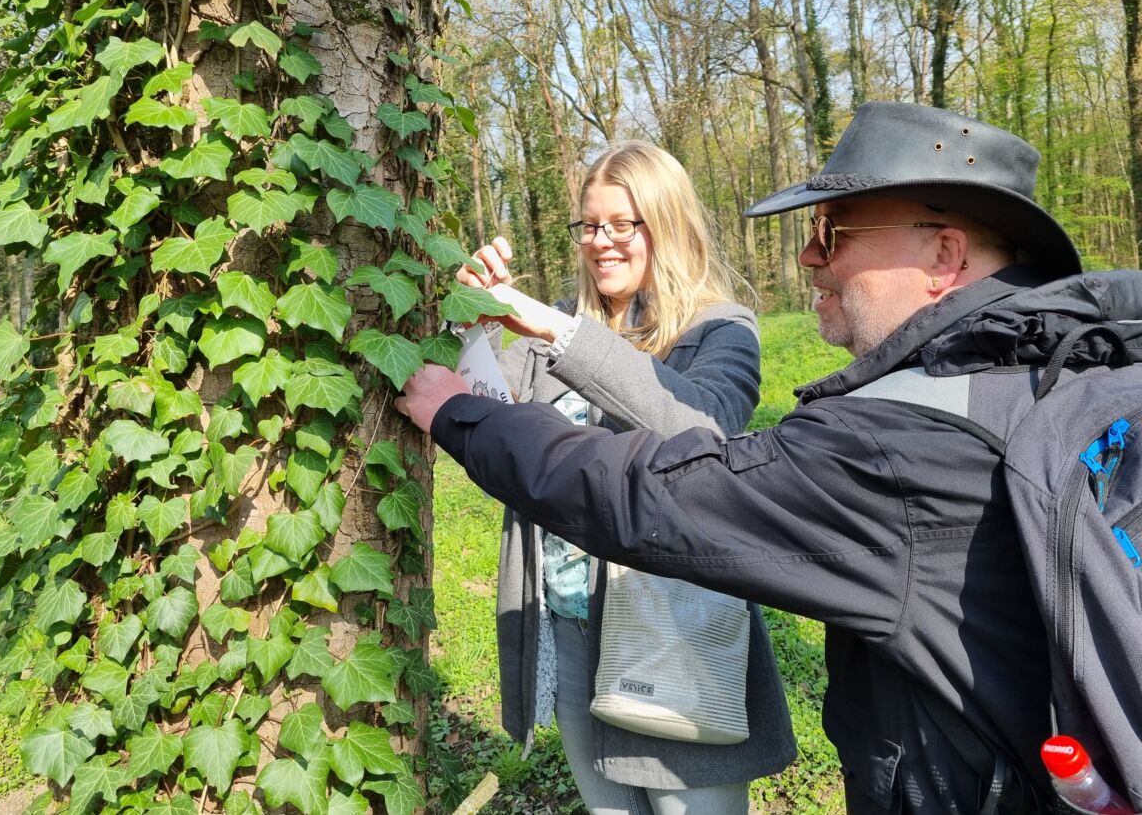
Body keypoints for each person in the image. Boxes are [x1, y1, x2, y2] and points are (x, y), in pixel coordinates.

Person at [398, 102, 1142, 813]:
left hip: (691, 652)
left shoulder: (893, 432)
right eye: (588, 225)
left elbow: (674, 478)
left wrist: (465, 414)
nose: (808, 256)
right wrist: (484, 321)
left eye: (834, 231)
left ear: (946, 253)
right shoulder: (1057, 368)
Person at [450, 140, 796, 815]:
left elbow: (704, 429)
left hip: (675, 635)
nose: (600, 242)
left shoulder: (718, 330)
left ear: (664, 226)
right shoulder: (551, 330)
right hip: (569, 625)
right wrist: (473, 324)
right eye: (589, 224)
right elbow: (486, 423)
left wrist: (558, 331)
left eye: (621, 224)